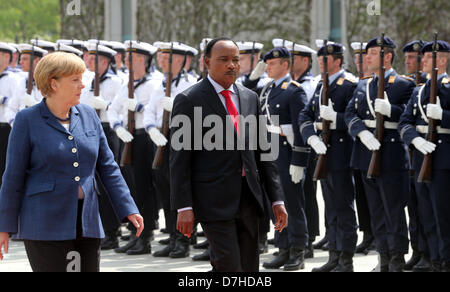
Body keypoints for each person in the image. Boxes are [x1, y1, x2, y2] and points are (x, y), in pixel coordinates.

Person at [0, 52, 143, 272]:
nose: (82, 85)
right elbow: (13, 177)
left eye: (82, 78)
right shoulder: (27, 120)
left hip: (86, 221)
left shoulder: (88, 115)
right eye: (75, 80)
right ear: (53, 83)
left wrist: (128, 207)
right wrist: (5, 226)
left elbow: (108, 167)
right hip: (44, 223)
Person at [171, 37, 288, 272]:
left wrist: (277, 199)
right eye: (223, 60)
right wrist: (183, 207)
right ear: (206, 62)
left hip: (249, 198)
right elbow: (179, 161)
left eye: (235, 60)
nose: (232, 65)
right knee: (229, 267)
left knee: (248, 268)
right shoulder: (189, 100)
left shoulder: (249, 97)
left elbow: (264, 152)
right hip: (213, 199)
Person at [345, 35, 415, 272]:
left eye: (372, 53)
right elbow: (349, 114)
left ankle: (397, 257)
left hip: (392, 156)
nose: (367, 58)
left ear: (387, 56)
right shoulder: (363, 84)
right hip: (366, 155)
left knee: (393, 210)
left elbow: (409, 116)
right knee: (376, 211)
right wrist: (361, 133)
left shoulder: (404, 84)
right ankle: (383, 256)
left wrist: (391, 110)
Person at [299, 41, 358, 272]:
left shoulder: (349, 84)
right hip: (321, 153)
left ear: (338, 60)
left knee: (343, 208)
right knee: (331, 208)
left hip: (341, 154)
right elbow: (305, 114)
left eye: (326, 59)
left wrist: (336, 118)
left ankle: (346, 259)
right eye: (320, 59)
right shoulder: (321, 85)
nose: (321, 63)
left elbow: (356, 117)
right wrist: (310, 137)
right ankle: (333, 255)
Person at [398, 40, 450, 272]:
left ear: (443, 59)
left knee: (443, 213)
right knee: (426, 212)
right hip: (421, 156)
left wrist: (444, 115)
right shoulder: (420, 89)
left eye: (428, 57)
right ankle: (433, 258)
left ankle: (446, 260)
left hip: (443, 158)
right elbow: (404, 121)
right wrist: (415, 139)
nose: (423, 61)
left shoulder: (448, 85)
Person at [143, 42, 197, 259]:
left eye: (167, 58)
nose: (162, 62)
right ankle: (173, 235)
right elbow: (149, 110)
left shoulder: (191, 83)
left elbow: (195, 113)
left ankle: (184, 240)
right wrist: (151, 130)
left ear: (179, 60)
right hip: (160, 138)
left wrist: (175, 104)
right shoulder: (162, 83)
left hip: (181, 137)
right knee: (164, 189)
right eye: (161, 58)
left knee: (179, 191)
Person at [107, 40, 161, 255]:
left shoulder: (154, 83)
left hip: (148, 138)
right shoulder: (126, 84)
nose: (126, 61)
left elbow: (157, 110)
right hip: (129, 138)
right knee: (133, 188)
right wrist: (118, 127)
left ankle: (145, 237)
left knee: (146, 190)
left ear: (142, 59)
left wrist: (138, 107)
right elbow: (113, 109)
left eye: (130, 58)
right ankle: (135, 233)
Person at [259, 46, 310, 271]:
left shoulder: (294, 91)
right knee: (276, 204)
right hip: (271, 155)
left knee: (292, 204)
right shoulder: (268, 89)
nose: (268, 67)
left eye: (272, 64)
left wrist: (299, 161)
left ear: (285, 65)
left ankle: (298, 249)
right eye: (267, 64)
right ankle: (282, 247)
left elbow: (301, 129)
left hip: (288, 154)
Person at [80, 42, 124, 251]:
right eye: (87, 57)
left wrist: (104, 105)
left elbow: (121, 109)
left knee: (106, 181)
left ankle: (113, 231)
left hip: (108, 130)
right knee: (92, 181)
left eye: (93, 58)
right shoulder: (86, 80)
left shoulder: (116, 82)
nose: (88, 60)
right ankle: (99, 228)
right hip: (88, 130)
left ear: (105, 61)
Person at [350, 41, 375, 255]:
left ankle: (376, 235)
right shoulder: (357, 84)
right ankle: (367, 232)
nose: (360, 62)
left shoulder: (378, 83)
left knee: (374, 194)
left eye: (363, 57)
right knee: (361, 194)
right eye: (357, 58)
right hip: (357, 146)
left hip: (376, 146)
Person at [0, 43, 20, 187]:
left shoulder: (14, 79)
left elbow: (17, 105)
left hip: (5, 128)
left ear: (7, 57)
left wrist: (3, 100)